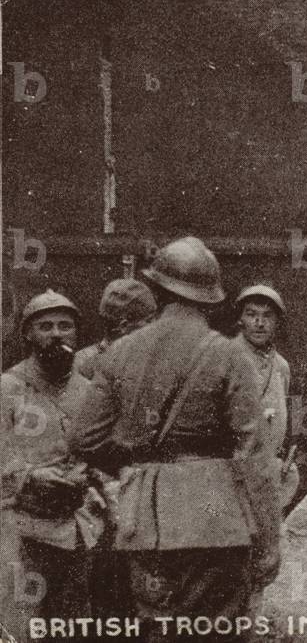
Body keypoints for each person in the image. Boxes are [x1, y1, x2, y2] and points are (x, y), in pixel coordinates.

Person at [69, 237, 280, 640]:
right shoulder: (230, 354)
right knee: (218, 630)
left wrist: (136, 462)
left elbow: (83, 439)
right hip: (217, 515)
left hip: (145, 516)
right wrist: (269, 541)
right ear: (211, 298)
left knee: (158, 627)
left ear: (158, 289)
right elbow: (254, 455)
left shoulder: (120, 352)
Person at [1, 290, 94, 624]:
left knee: (73, 625)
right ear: (29, 333)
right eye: (46, 326)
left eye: (65, 326)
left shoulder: (88, 391)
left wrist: (86, 473)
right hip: (24, 531)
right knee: (26, 623)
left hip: (78, 531)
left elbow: (100, 454)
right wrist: (31, 474)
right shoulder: (9, 388)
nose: (57, 334)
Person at [233, 284, 297, 511]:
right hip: (233, 472)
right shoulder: (226, 360)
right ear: (240, 319)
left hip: (268, 470)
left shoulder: (281, 366)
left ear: (277, 322)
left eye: (267, 316)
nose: (259, 323)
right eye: (251, 315)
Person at [75, 278, 156, 380]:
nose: (155, 325)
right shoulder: (83, 364)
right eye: (148, 321)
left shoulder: (81, 359)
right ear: (124, 326)